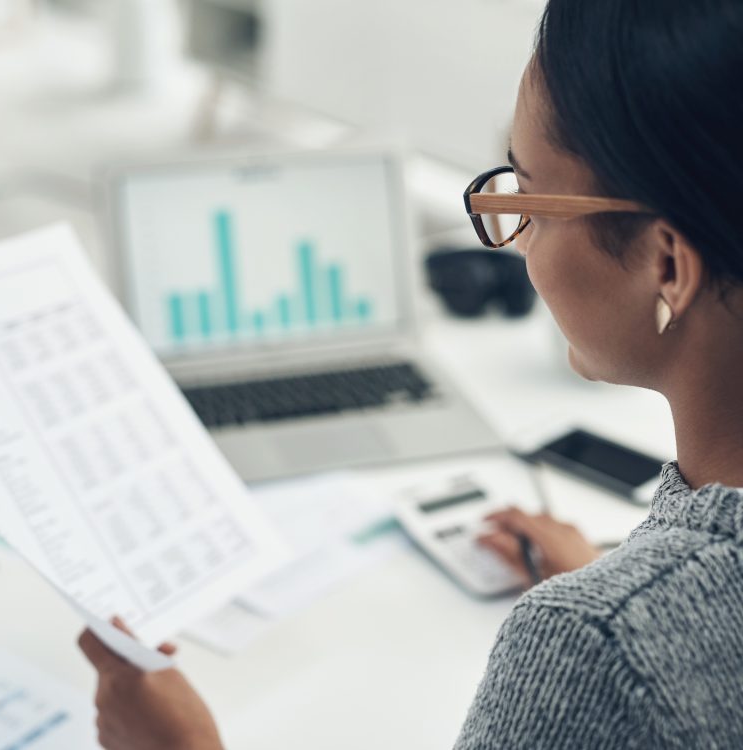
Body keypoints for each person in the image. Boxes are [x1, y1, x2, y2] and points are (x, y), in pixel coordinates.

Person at [77, 0, 743, 746]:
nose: (516, 244)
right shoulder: (624, 629)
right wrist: (637, 596)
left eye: (528, 201)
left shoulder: (590, 643)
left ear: (666, 264)